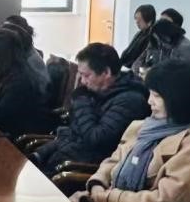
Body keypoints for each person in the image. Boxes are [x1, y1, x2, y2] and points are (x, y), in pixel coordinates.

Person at [72, 60, 190, 202]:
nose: (149, 101)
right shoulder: (144, 126)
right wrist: (97, 183)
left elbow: (166, 199)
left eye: (157, 96)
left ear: (179, 98)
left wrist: (110, 197)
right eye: (150, 94)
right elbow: (113, 161)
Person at [31, 43, 149, 175]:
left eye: (86, 75)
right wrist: (40, 153)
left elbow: (95, 140)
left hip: (80, 170)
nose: (82, 81)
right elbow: (72, 134)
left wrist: (81, 102)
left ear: (106, 72)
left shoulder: (130, 101)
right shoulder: (99, 92)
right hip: (66, 159)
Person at [120, 5, 156, 69]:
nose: (137, 22)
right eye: (136, 19)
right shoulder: (140, 33)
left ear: (149, 21)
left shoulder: (151, 37)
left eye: (140, 20)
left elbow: (140, 59)